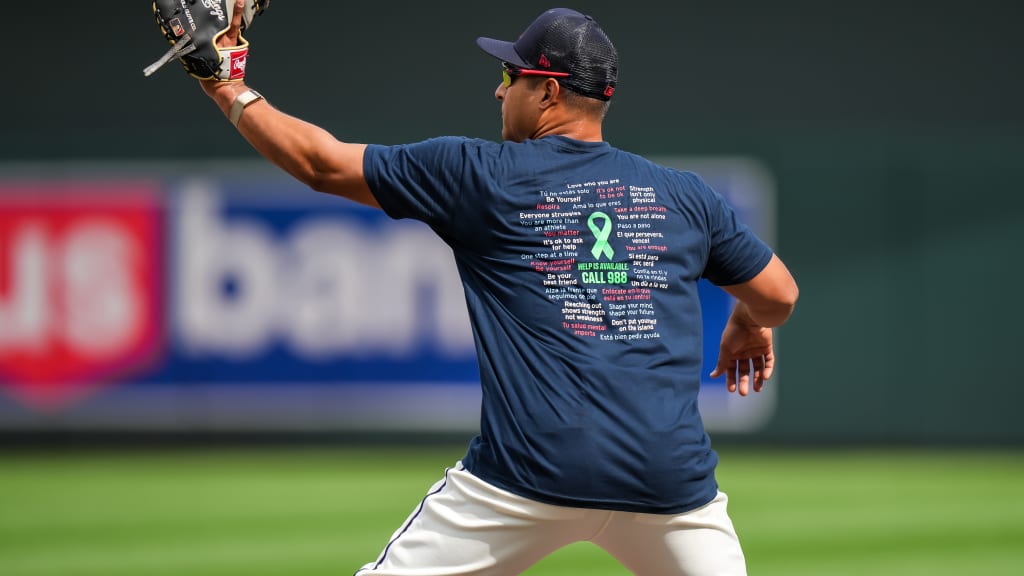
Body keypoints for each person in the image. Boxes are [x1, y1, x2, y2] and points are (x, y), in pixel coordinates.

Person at [199, 3, 798, 575]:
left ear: (548, 90)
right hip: (670, 485)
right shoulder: (684, 194)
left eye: (509, 74)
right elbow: (780, 295)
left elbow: (322, 165)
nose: (498, 90)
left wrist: (225, 87)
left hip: (530, 475)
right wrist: (747, 319)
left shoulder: (477, 175)